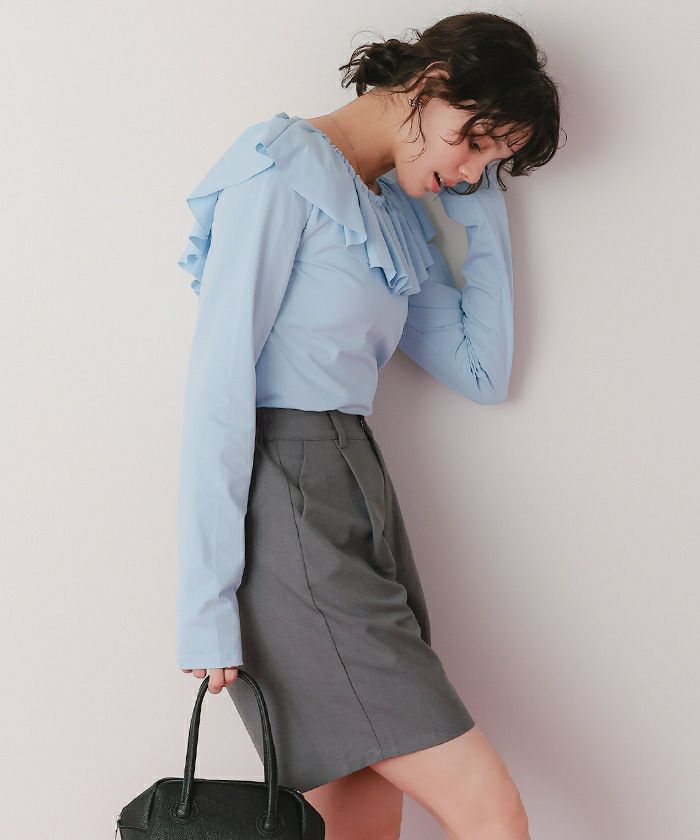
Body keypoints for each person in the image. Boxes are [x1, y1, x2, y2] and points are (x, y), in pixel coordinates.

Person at [175, 11, 560, 840]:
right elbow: (217, 386)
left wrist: (480, 205)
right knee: (491, 811)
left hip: (357, 490)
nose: (470, 169)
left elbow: (483, 371)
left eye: (493, 159)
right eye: (474, 141)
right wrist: (204, 603)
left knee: (360, 826)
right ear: (431, 81)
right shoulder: (280, 169)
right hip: (287, 505)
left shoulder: (387, 210)